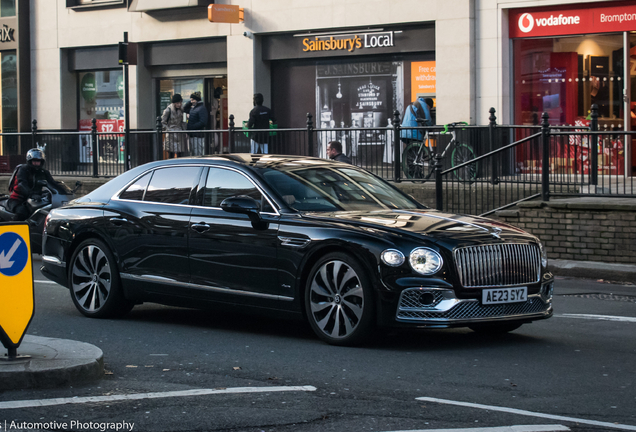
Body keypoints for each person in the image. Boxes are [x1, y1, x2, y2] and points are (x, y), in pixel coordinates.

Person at [5, 148, 61, 221]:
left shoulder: (44, 172)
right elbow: (22, 184)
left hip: (36, 199)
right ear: (30, 161)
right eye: (34, 161)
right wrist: (31, 194)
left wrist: (65, 191)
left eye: (39, 161)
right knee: (22, 212)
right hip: (19, 199)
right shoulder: (23, 170)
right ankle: (15, 228)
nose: (37, 163)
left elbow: (53, 183)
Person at [161, 94, 186, 158]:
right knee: (171, 153)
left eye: (180, 103)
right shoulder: (168, 110)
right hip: (171, 134)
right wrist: (168, 129)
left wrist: (184, 129)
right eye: (177, 103)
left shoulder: (182, 110)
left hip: (180, 133)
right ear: (174, 103)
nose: (179, 104)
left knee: (180, 152)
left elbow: (183, 121)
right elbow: (163, 122)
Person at [210, 87, 223, 153]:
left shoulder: (213, 100)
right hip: (214, 117)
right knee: (214, 131)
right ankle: (215, 146)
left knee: (213, 131)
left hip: (212, 117)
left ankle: (214, 146)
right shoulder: (215, 101)